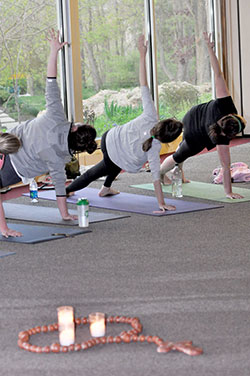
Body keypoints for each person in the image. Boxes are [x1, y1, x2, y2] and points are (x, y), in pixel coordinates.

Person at [66, 35, 183, 213]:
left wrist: (142, 55)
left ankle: (105, 188)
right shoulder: (154, 148)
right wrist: (161, 203)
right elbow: (155, 178)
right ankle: (66, 191)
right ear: (168, 140)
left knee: (114, 163)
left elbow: (143, 84)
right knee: (95, 172)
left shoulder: (151, 114)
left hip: (108, 139)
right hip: (117, 155)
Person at [0, 29, 97, 238]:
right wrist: (65, 215)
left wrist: (54, 50)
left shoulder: (56, 114)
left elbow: (50, 80)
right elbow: (60, 187)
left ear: (74, 127)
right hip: (13, 168)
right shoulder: (58, 159)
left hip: (6, 142)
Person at [160, 32, 246, 199]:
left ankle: (179, 172)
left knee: (182, 149)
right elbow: (225, 164)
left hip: (192, 114)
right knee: (180, 154)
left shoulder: (225, 104)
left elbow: (218, 74)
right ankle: (160, 173)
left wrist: (210, 48)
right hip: (195, 132)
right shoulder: (221, 138)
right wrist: (228, 192)